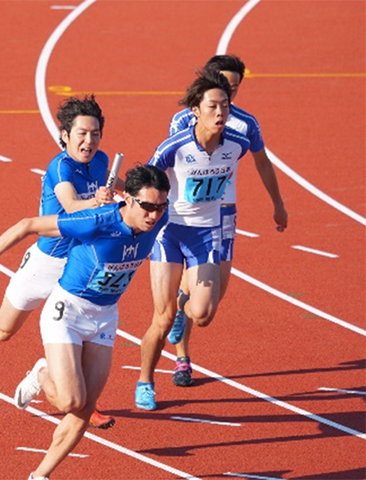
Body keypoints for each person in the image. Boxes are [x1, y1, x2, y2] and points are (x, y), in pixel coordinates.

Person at [0, 164, 170, 480]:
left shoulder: (159, 220)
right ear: (128, 199)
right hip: (67, 311)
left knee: (84, 411)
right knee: (71, 399)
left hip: (105, 317)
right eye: (147, 206)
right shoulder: (97, 221)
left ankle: (40, 475)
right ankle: (42, 372)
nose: (154, 215)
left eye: (160, 207)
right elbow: (28, 224)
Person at [0, 95, 117, 429]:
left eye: (95, 133)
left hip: (79, 265)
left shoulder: (102, 161)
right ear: (66, 135)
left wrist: (138, 193)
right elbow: (69, 205)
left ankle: (85, 402)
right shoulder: (60, 167)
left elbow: (114, 186)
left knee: (80, 331)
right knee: (2, 329)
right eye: (82, 133)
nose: (89, 140)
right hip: (45, 262)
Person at [165, 55, 288, 387]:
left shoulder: (245, 123)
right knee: (193, 285)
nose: (228, 95)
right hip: (187, 217)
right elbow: (172, 166)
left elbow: (263, 163)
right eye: (223, 85)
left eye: (234, 88)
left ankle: (183, 306)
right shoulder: (181, 121)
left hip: (224, 215)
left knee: (210, 301)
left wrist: (277, 204)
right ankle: (182, 357)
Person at [135, 67, 251, 410]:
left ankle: (186, 307)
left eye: (225, 107)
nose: (220, 114)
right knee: (163, 317)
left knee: (202, 314)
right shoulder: (175, 147)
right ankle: (145, 381)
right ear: (195, 111)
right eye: (213, 107)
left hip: (206, 234)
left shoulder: (238, 145)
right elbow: (147, 180)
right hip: (170, 233)